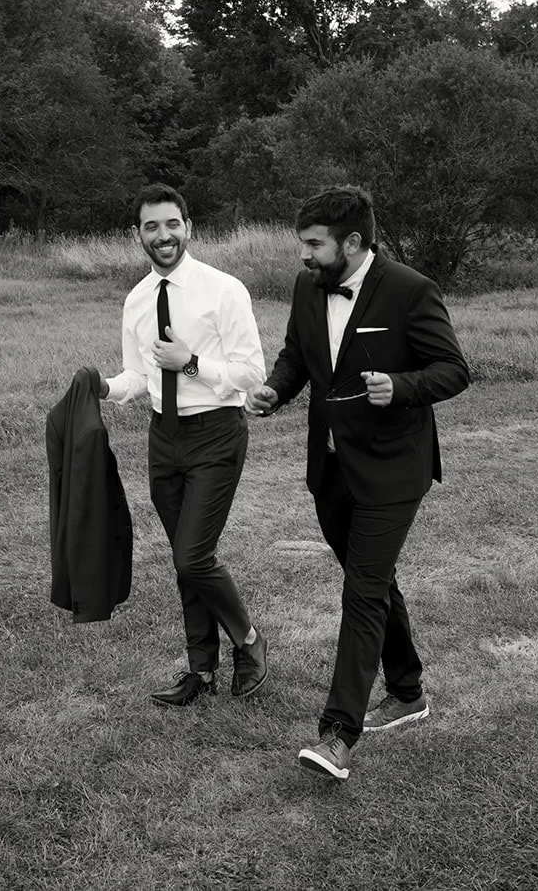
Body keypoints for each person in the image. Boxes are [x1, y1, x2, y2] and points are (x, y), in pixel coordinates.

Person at [246, 185, 470, 780]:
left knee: (362, 591)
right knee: (370, 579)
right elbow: (299, 355)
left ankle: (336, 735)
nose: (305, 256)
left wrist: (401, 386)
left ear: (352, 242)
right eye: (303, 244)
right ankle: (409, 690)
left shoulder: (410, 289)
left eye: (314, 245)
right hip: (330, 467)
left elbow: (453, 370)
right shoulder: (306, 286)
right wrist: (275, 390)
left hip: (395, 467)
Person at [103, 183, 270, 706]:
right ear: (138, 236)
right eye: (151, 227)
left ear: (188, 227)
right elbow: (138, 374)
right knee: (183, 557)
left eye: (171, 223)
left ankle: (248, 640)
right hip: (163, 437)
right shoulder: (135, 300)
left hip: (216, 434)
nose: (163, 235)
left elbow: (251, 372)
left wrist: (191, 362)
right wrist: (104, 388)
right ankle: (201, 670)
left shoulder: (225, 290)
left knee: (194, 558)